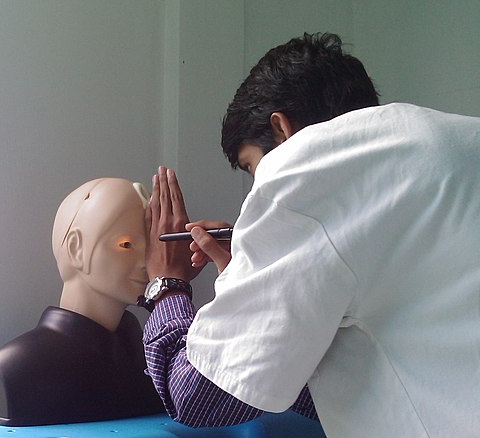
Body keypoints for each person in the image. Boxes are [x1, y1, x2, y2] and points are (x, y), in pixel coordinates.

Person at [139, 32, 480, 437]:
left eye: (253, 170)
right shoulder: (455, 141)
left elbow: (197, 397)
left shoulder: (304, 171)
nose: (259, 192)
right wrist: (256, 273)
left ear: (282, 130)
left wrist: (167, 285)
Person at [0, 178, 164, 426]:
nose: (147, 260)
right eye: (126, 245)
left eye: (152, 244)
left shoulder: (154, 362)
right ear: (76, 249)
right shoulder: (11, 372)